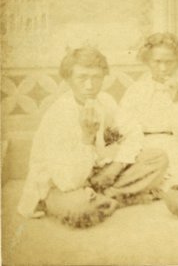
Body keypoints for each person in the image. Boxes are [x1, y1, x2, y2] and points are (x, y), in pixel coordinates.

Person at [17, 47, 168, 228]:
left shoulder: (104, 100)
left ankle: (104, 198)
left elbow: (132, 132)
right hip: (58, 186)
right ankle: (116, 197)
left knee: (157, 158)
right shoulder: (57, 115)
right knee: (79, 209)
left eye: (96, 77)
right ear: (68, 79)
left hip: (97, 176)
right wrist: (86, 138)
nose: (90, 85)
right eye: (82, 78)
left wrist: (115, 166)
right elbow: (68, 181)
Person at [119, 33, 178, 191]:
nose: (163, 68)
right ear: (147, 61)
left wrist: (176, 100)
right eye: (157, 62)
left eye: (169, 62)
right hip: (144, 148)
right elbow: (125, 127)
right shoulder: (136, 90)